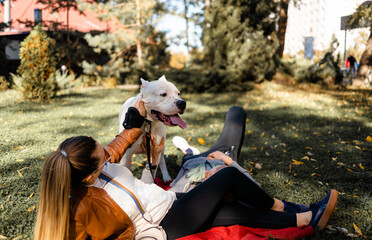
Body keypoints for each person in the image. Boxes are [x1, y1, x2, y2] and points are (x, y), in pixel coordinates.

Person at [34, 103, 338, 240]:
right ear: (88, 175)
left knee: (226, 210)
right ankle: (286, 207)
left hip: (169, 206)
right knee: (228, 178)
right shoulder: (78, 209)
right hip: (162, 226)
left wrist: (135, 122)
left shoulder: (94, 168)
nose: (110, 157)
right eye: (103, 159)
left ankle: (306, 218)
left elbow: (115, 146)